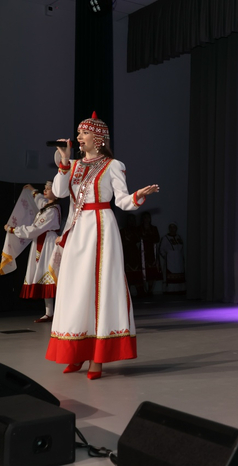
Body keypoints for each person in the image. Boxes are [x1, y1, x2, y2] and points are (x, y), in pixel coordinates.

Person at [46, 111, 159, 380]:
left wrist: (138, 196)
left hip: (100, 228)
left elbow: (122, 201)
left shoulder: (113, 165)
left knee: (99, 288)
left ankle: (97, 357)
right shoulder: (73, 165)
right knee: (75, 289)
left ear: (98, 138)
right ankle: (76, 351)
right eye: (78, 132)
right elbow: (60, 193)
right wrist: (64, 162)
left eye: (84, 132)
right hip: (78, 230)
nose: (79, 137)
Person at [3, 182, 61, 323]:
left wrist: (13, 230)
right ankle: (49, 313)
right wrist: (32, 191)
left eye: (48, 189)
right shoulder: (47, 207)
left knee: (50, 274)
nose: (45, 190)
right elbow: (40, 201)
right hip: (41, 243)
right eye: (45, 188)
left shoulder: (52, 211)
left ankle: (58, 313)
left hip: (48, 243)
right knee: (43, 275)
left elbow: (35, 229)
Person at [159, 223, 186, 294]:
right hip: (170, 260)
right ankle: (169, 290)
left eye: (174, 227)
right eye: (171, 227)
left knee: (179, 273)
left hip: (179, 259)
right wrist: (166, 256)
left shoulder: (179, 237)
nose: (172, 229)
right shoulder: (165, 238)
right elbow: (161, 249)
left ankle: (180, 289)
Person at [138, 211, 161, 295]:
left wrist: (146, 238)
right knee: (142, 270)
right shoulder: (139, 228)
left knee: (151, 271)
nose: (147, 219)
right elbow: (138, 238)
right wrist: (148, 238)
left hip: (152, 251)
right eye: (145, 217)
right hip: (142, 252)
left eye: (148, 217)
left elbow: (157, 239)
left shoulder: (154, 228)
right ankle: (143, 290)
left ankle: (150, 290)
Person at [120, 214, 143, 292]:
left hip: (135, 253)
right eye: (130, 220)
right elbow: (122, 241)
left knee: (137, 272)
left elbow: (139, 239)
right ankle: (127, 292)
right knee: (128, 273)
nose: (131, 222)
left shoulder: (137, 230)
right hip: (127, 253)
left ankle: (140, 290)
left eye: (133, 220)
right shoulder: (123, 231)